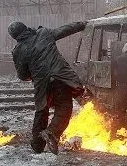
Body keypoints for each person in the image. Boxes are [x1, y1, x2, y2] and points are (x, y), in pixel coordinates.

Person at [8, 21, 91, 155]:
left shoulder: (18, 51)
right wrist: (83, 24)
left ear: (14, 36)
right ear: (25, 27)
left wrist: (35, 73)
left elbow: (22, 75)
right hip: (60, 79)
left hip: (42, 84)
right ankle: (52, 133)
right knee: (64, 108)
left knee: (41, 111)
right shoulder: (43, 34)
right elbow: (65, 29)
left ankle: (37, 145)